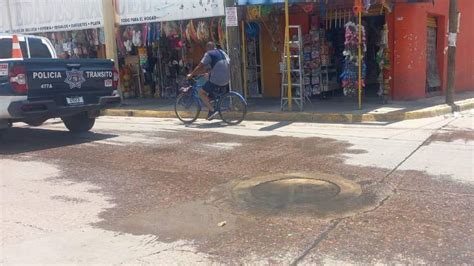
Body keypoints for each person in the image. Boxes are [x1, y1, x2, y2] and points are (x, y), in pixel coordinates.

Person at [188, 42, 230, 120]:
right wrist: (210, 73)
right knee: (208, 80)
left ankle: (212, 110)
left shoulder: (209, 53)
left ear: (207, 48)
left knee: (201, 92)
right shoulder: (222, 52)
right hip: (227, 78)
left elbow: (200, 65)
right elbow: (224, 64)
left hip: (217, 79)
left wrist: (191, 74)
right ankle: (212, 103)